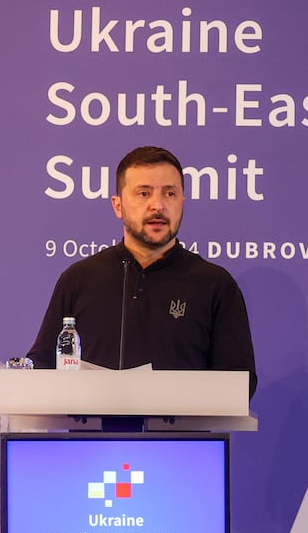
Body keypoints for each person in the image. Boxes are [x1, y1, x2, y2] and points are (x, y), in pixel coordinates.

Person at [26, 145, 257, 396]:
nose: (157, 205)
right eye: (144, 193)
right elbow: (43, 366)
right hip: (92, 435)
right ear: (118, 206)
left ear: (182, 202)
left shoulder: (214, 284)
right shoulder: (79, 279)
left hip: (184, 436)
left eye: (170, 194)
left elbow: (239, 383)